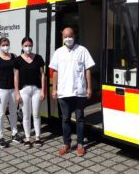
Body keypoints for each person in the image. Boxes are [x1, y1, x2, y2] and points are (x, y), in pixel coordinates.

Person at [49, 27, 95, 156]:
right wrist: (54, 89)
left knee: (80, 118)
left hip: (79, 92)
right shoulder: (58, 52)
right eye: (65, 37)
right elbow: (55, 72)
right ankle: (67, 144)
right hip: (63, 92)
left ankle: (80, 144)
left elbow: (88, 70)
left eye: (70, 36)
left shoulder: (82, 50)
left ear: (74, 36)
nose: (68, 39)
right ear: (62, 37)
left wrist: (89, 87)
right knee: (65, 119)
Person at [0, 37, 22, 148]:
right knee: (1, 113)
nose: (5, 46)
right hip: (1, 89)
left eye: (7, 44)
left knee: (13, 112)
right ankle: (0, 137)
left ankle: (14, 134)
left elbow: (16, 74)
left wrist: (18, 91)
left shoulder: (14, 57)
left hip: (13, 89)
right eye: (3, 44)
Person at [14, 37, 45, 148]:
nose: (28, 47)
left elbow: (42, 75)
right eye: (25, 45)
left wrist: (43, 90)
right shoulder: (18, 60)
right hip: (24, 90)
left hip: (36, 90)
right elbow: (16, 77)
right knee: (26, 116)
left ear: (32, 45)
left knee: (36, 114)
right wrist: (17, 93)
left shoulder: (38, 58)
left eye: (29, 45)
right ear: (22, 46)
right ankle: (27, 137)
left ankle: (37, 137)